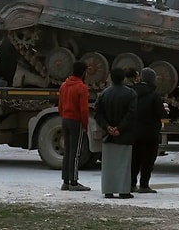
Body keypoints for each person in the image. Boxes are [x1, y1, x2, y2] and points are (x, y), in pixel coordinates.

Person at [94, 67, 138, 199]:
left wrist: (107, 127)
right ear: (123, 78)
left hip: (108, 135)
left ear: (111, 78)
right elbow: (132, 113)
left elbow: (98, 114)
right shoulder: (131, 93)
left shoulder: (104, 94)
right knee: (124, 164)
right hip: (124, 134)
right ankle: (123, 190)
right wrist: (120, 128)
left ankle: (108, 189)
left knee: (109, 164)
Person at [131, 68, 168, 193]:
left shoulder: (132, 91)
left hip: (134, 130)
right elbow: (160, 113)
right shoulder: (154, 94)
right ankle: (144, 185)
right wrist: (165, 111)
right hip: (150, 132)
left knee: (134, 158)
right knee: (148, 159)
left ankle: (131, 183)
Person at [58, 61, 91, 191]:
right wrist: (85, 124)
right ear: (83, 72)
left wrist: (64, 115)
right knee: (76, 153)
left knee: (67, 151)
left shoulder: (64, 85)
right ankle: (74, 182)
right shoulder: (81, 87)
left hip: (65, 119)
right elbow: (84, 109)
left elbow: (60, 105)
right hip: (75, 121)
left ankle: (65, 181)